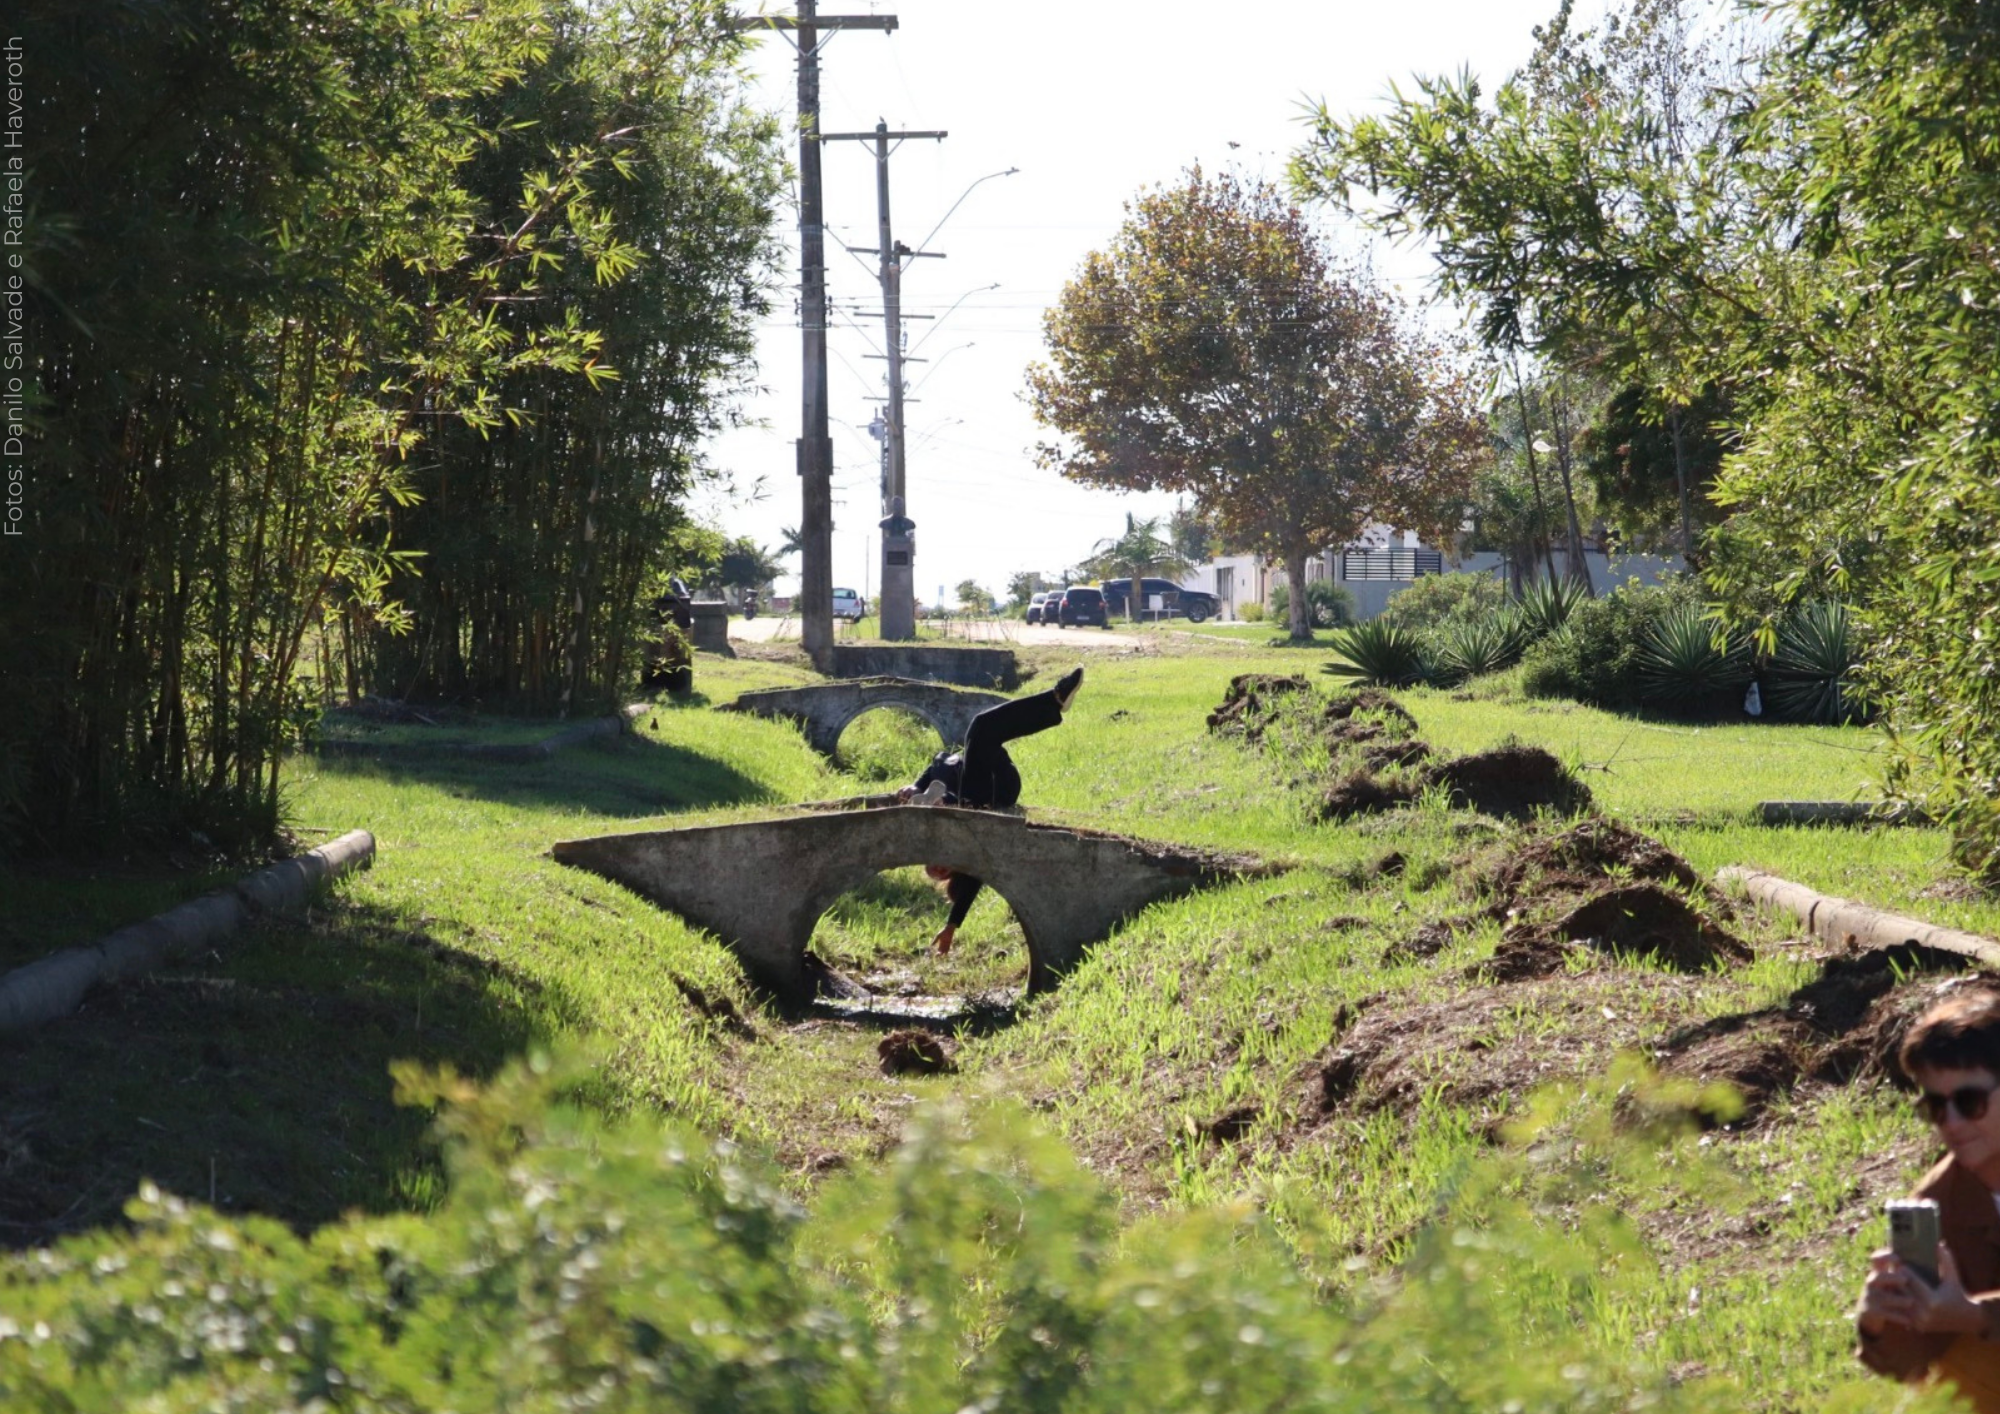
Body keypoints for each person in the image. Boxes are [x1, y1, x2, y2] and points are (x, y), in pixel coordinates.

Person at [1855, 985, 2000, 1411]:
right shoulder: (1937, 1205)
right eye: (1935, 1106)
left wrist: (1976, 1315)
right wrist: (1879, 1321)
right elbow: (1914, 1370)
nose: (1950, 1122)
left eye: (1969, 1102)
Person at [894, 666, 1083, 955]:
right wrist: (952, 925)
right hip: (993, 791)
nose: (938, 869)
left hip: (979, 771)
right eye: (943, 873)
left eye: (932, 867)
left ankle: (1056, 700)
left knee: (983, 727)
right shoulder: (964, 849)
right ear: (953, 873)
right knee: (980, 728)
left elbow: (934, 769)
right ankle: (1054, 700)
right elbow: (973, 876)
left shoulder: (939, 771)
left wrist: (915, 786)